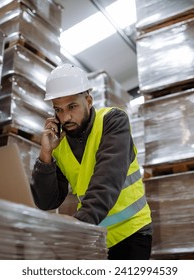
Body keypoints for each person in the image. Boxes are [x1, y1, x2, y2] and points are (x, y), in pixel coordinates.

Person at [30, 64, 152, 260]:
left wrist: (79, 225)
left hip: (131, 232)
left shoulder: (113, 121)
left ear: (88, 101)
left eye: (72, 106)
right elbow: (47, 201)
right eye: (58, 110)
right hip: (95, 235)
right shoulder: (59, 145)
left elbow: (108, 177)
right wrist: (45, 155)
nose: (66, 117)